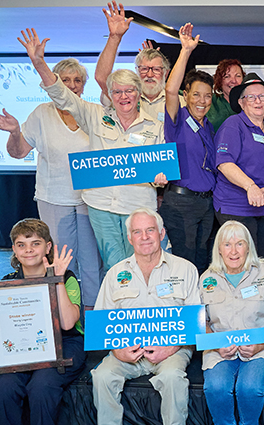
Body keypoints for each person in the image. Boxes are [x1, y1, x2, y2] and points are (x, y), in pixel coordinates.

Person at [22, 28, 167, 272]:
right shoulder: (94, 115)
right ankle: (118, 309)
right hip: (101, 207)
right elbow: (62, 95)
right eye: (117, 92)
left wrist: (160, 179)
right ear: (109, 94)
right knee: (113, 266)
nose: (123, 97)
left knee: (144, 263)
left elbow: (160, 167)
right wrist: (39, 63)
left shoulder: (156, 127)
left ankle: (141, 310)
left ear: (139, 94)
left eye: (129, 91)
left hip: (138, 206)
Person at [0, 58, 103, 308]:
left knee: (93, 262)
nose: (71, 86)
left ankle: (93, 317)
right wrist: (14, 132)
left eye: (77, 80)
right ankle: (66, 314)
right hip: (54, 199)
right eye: (65, 80)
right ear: (54, 84)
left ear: (84, 85)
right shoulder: (41, 113)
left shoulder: (94, 112)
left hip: (90, 198)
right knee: (61, 260)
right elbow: (18, 153)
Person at [0, 219, 86, 425]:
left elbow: (66, 324)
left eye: (35, 243)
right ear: (14, 249)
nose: (28, 250)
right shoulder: (7, 282)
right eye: (21, 245)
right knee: (3, 388)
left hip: (65, 343)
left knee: (42, 386)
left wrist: (55, 279)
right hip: (20, 346)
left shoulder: (67, 278)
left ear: (48, 247)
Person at [90, 208, 200, 425]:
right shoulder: (115, 274)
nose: (145, 237)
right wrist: (117, 350)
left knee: (172, 378)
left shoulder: (185, 269)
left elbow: (195, 324)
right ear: (129, 238)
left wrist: (170, 348)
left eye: (150, 230)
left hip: (172, 349)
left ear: (162, 233)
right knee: (102, 376)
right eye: (137, 232)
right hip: (127, 351)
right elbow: (101, 322)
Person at [200, 220, 264, 425]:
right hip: (219, 349)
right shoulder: (207, 278)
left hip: (262, 348)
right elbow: (202, 323)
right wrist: (217, 345)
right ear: (219, 249)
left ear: (248, 246)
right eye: (227, 244)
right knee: (216, 388)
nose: (234, 251)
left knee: (248, 388)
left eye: (239, 243)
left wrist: (260, 345)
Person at [214, 73, 264, 259]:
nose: (258, 101)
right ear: (241, 103)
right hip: (236, 208)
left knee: (261, 262)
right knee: (240, 262)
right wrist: (251, 187)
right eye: (251, 97)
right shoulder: (233, 125)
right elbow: (224, 163)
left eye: (262, 96)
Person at [160, 23, 217, 272]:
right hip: (180, 203)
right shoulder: (178, 120)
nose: (202, 101)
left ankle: (202, 311)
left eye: (207, 95)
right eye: (196, 95)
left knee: (203, 262)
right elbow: (170, 90)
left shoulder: (210, 128)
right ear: (187, 94)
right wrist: (185, 51)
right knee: (184, 264)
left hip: (207, 205)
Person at [96, 1, 170, 121]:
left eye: (156, 69)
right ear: (136, 71)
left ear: (166, 73)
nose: (149, 75)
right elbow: (102, 78)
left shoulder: (179, 102)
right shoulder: (124, 97)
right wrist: (114, 38)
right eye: (144, 69)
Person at [208, 59, 245, 131]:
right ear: (219, 81)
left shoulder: (251, 103)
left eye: (238, 76)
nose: (233, 81)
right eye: (227, 76)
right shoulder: (210, 101)